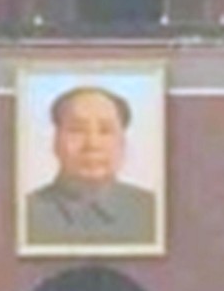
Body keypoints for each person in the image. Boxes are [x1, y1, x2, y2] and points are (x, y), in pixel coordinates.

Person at [26, 86, 156, 245]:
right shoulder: (24, 214)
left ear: (123, 143)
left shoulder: (153, 211)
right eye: (76, 130)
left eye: (105, 131)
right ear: (55, 142)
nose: (92, 144)